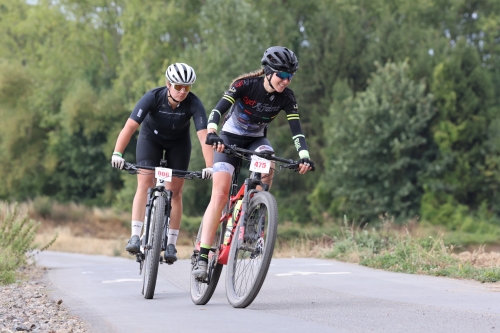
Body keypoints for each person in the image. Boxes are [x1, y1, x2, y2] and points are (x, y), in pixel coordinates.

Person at [192, 46, 314, 279]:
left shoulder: (287, 97)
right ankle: (203, 255)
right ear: (268, 72)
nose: (286, 81)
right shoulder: (244, 86)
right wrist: (213, 133)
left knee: (268, 161)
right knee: (219, 195)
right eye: (282, 75)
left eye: (290, 77)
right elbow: (217, 111)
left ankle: (254, 218)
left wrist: (304, 156)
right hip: (227, 139)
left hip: (255, 141)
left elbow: (296, 131)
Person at [111, 63, 214, 263]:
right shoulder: (152, 97)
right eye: (178, 87)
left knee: (175, 192)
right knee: (145, 182)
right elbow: (130, 126)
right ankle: (135, 235)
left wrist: (210, 166)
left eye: (187, 87)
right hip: (151, 139)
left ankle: (171, 244)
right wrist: (117, 153)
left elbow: (204, 137)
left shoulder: (194, 103)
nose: (183, 91)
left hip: (179, 144)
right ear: (168, 84)